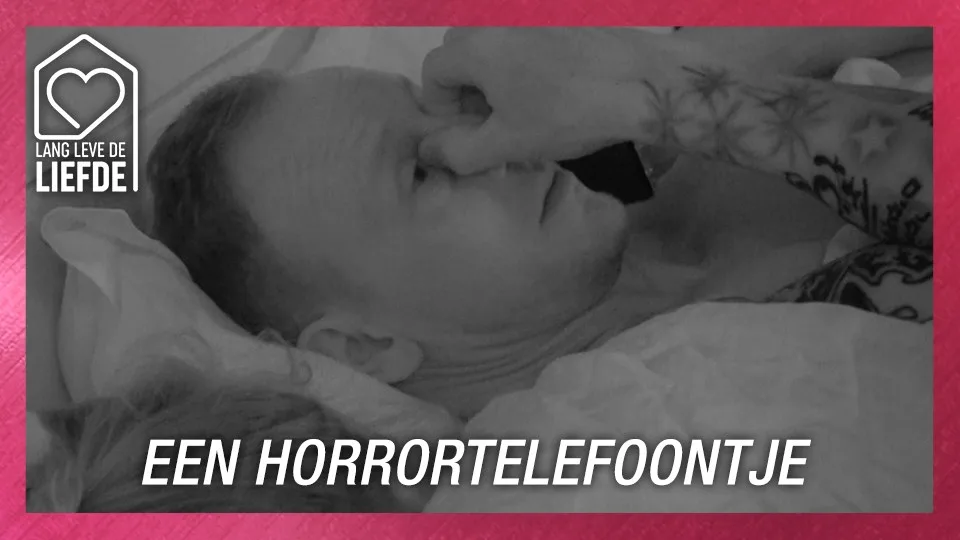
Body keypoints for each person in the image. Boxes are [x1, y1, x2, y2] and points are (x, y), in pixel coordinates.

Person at [143, 28, 932, 419]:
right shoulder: (657, 417)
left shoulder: (627, 174)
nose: (489, 142)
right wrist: (654, 92)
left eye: (442, 113)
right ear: (363, 347)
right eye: (421, 171)